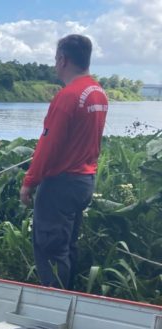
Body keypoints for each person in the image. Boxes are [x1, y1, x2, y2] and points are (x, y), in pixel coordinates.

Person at [20, 34, 108, 290]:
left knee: (50, 249)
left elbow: (49, 145)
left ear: (63, 59)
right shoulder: (97, 92)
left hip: (61, 183)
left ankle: (53, 312)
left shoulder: (68, 96)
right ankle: (67, 304)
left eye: (56, 59)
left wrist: (29, 182)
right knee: (66, 246)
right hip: (84, 180)